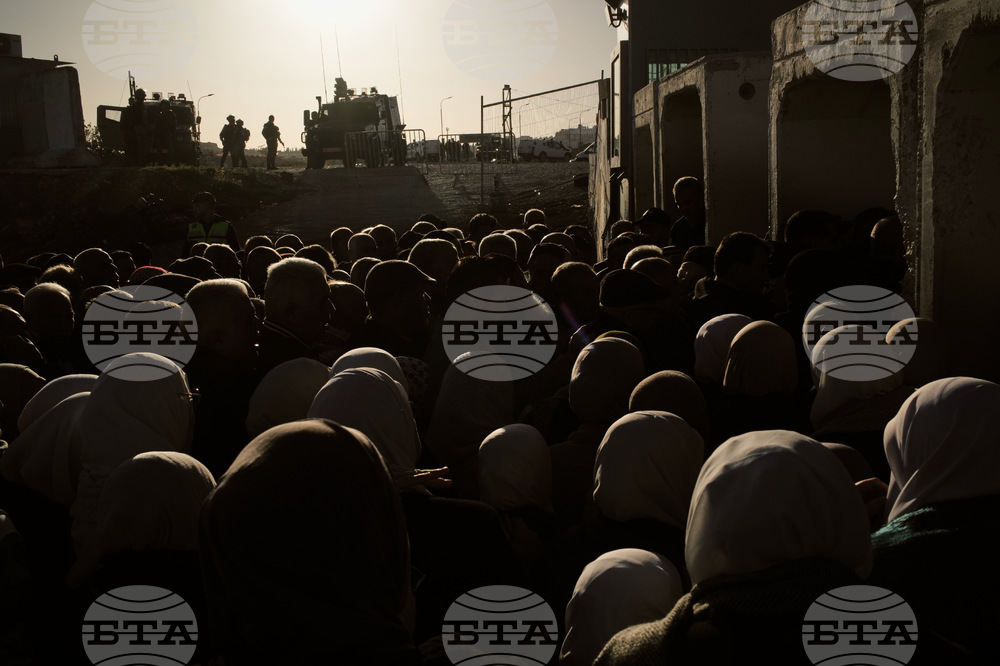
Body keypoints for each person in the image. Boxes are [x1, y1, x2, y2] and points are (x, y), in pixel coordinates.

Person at [184, 192, 240, 257]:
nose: (194, 209)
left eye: (197, 206)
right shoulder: (191, 228)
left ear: (208, 206)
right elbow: (185, 254)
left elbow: (236, 253)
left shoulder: (227, 227)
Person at [153, 99, 176, 165]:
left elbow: (173, 124)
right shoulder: (160, 115)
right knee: (159, 149)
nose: (163, 107)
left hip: (168, 133)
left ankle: (169, 162)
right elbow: (157, 124)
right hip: (160, 134)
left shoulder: (171, 114)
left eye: (164, 105)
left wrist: (173, 133)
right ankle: (160, 162)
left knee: (170, 149)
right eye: (162, 105)